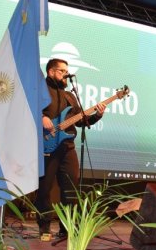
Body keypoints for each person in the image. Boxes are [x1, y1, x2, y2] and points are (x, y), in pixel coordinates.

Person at [36, 58, 106, 238]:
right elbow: (27, 108)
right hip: (47, 144)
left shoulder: (70, 96)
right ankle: (44, 227)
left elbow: (82, 120)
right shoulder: (40, 90)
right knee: (45, 188)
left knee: (70, 189)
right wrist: (41, 116)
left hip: (67, 147)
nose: (66, 74)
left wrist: (97, 115)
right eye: (62, 71)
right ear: (51, 72)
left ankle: (67, 228)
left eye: (67, 71)